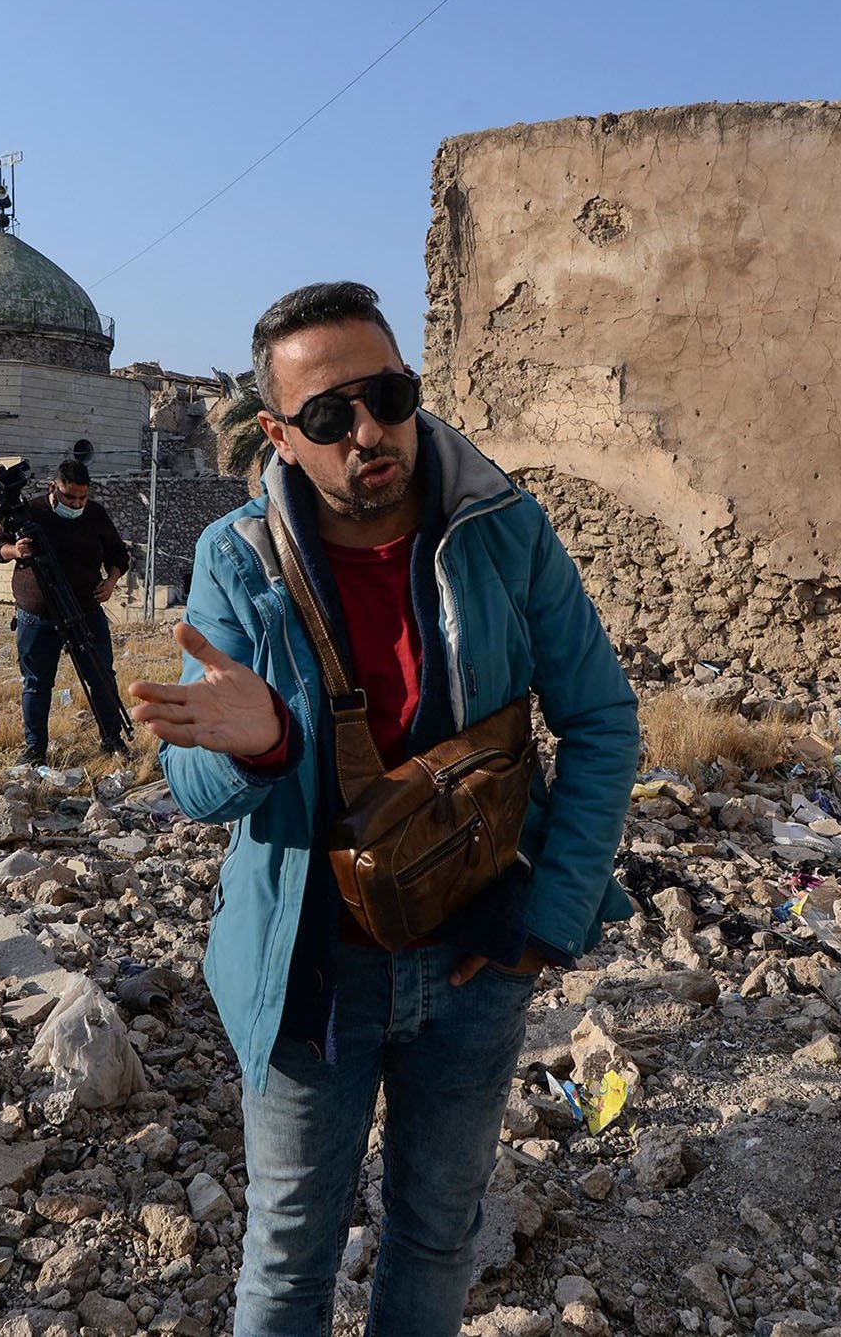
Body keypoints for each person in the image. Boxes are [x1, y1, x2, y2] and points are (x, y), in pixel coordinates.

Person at [127, 281, 639, 1335]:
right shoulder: (238, 559)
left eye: (388, 396)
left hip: (475, 959)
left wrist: (550, 917)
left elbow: (600, 720)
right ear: (279, 433)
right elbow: (194, 789)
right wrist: (263, 745)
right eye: (328, 416)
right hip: (310, 972)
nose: (368, 432)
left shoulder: (503, 529)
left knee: (438, 1233)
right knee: (287, 1252)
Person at [0, 457, 131, 764]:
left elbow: (119, 554)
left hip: (86, 612)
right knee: (37, 684)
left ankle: (113, 741)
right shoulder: (30, 513)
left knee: (102, 677)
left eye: (82, 497)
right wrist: (16, 551)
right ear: (54, 488)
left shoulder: (95, 515)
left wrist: (111, 582)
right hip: (37, 618)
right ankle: (35, 750)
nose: (77, 503)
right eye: (70, 497)